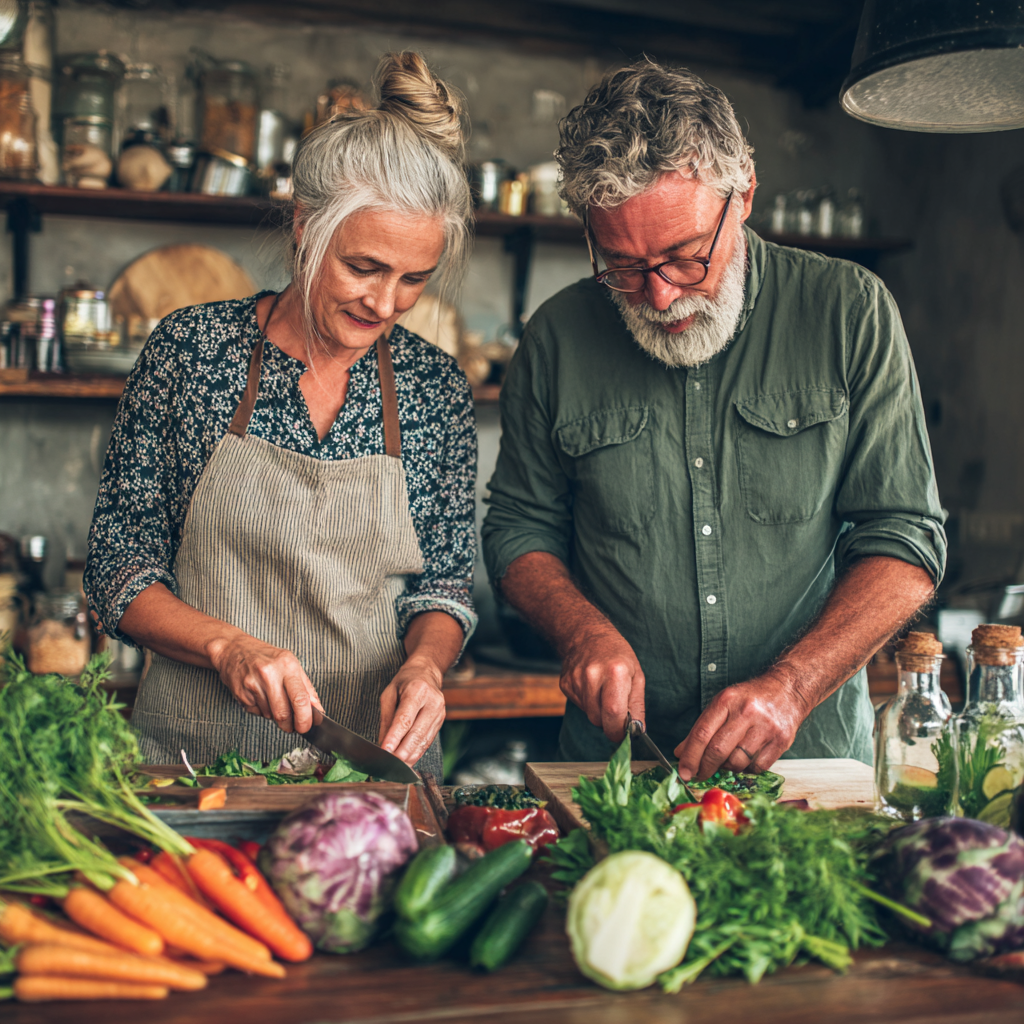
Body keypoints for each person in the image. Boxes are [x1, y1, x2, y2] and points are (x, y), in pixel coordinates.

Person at [482, 61, 944, 780]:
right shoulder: (556, 336)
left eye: (686, 257)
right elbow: (518, 528)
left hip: (807, 767)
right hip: (617, 771)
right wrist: (579, 631)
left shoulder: (849, 311)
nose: (660, 297)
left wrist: (792, 688)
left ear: (746, 193)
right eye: (624, 266)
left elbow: (907, 538)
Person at [85, 52, 477, 779]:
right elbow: (120, 567)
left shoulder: (433, 387)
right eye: (364, 267)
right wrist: (227, 647)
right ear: (304, 228)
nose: (386, 304)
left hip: (369, 774)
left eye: (413, 279)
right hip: (193, 765)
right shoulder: (194, 351)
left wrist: (426, 665)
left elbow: (443, 585)